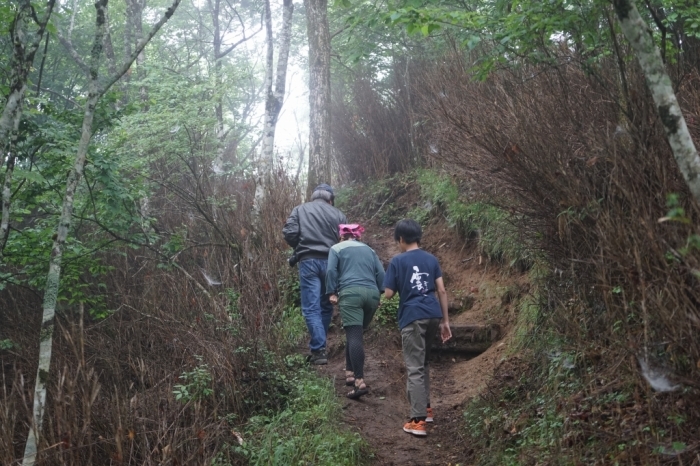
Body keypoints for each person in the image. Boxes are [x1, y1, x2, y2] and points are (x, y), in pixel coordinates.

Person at [382, 219, 452, 437]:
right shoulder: (431, 259)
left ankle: (418, 421)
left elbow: (389, 294)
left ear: (401, 239)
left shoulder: (397, 261)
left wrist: (385, 287)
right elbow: (441, 291)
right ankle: (426, 409)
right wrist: (445, 321)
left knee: (414, 367)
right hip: (433, 314)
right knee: (423, 363)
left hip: (412, 316)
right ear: (418, 237)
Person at [283, 184, 348, 365]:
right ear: (330, 199)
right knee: (326, 306)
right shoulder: (339, 214)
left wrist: (300, 248)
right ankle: (319, 345)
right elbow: (346, 239)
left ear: (314, 197)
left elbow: (289, 233)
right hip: (332, 262)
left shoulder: (300, 209)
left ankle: (319, 349)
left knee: (311, 306)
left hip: (309, 261)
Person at [326, 224, 385, 399]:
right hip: (372, 295)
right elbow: (381, 273)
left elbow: (330, 271)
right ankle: (350, 372)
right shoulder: (369, 250)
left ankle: (359, 382)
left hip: (351, 294)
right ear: (358, 236)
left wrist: (331, 292)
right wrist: (379, 294)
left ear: (341, 236)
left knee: (354, 335)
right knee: (355, 333)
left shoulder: (336, 248)